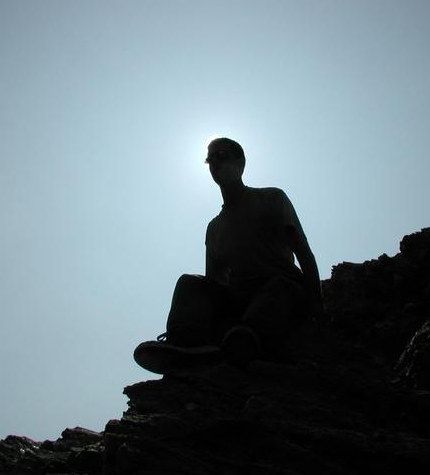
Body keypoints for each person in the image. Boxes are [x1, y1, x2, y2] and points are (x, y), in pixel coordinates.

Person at [134, 138, 323, 373]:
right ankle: (184, 344)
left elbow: (303, 252)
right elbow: (215, 282)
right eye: (210, 159)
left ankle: (247, 343)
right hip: (239, 298)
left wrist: (317, 307)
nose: (215, 163)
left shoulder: (272, 199)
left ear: (241, 163)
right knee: (189, 283)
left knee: (280, 289)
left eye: (221, 155)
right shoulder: (214, 228)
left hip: (280, 290)